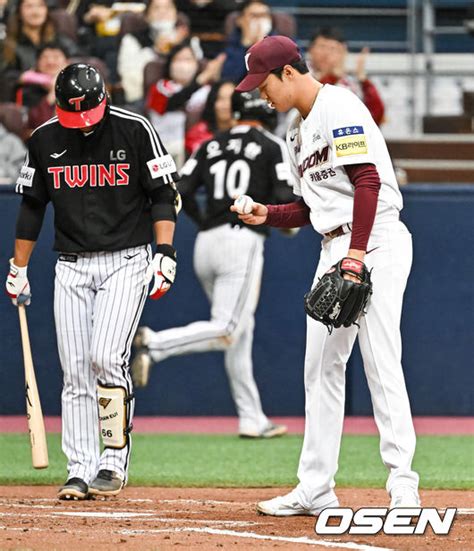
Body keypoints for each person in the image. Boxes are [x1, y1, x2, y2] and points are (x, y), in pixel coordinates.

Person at [232, 35, 419, 512]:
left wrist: (356, 254)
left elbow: (367, 180)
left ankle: (402, 482)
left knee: (379, 360)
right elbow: (308, 207)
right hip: (334, 243)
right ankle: (315, 487)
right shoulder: (297, 132)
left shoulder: (339, 106)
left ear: (289, 73)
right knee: (320, 369)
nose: (260, 93)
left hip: (373, 238)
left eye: (264, 83)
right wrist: (265, 213)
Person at [5, 63, 180, 500]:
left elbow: (162, 194)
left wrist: (165, 254)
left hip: (127, 259)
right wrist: (18, 266)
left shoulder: (134, 129)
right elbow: (31, 207)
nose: (82, 123)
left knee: (106, 356)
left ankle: (113, 460)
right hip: (71, 263)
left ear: (105, 98)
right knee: (75, 370)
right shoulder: (45, 138)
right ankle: (80, 467)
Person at [131, 89, 294, 438]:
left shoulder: (210, 144)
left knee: (240, 333)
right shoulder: (271, 144)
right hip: (242, 240)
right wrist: (287, 222)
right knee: (227, 329)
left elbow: (181, 189)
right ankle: (153, 344)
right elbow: (283, 194)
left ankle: (252, 418)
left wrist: (203, 220)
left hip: (206, 243)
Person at [146, 41, 225, 167]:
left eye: (188, 59)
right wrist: (200, 80)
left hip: (200, 148)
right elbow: (172, 103)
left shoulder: (208, 90)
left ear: (196, 64)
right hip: (166, 149)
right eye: (179, 59)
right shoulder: (160, 88)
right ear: (170, 63)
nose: (183, 65)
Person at [308, 27, 385, 126]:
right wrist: (332, 76)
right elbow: (312, 109)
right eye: (322, 47)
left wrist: (363, 81)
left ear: (343, 54)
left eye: (333, 49)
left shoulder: (350, 83)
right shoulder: (300, 72)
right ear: (311, 49)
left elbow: (375, 118)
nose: (326, 53)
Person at [117, 0, 190, 104]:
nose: (163, 12)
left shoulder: (186, 40)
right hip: (144, 100)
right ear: (147, 16)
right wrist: (155, 50)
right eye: (156, 8)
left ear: (176, 14)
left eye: (168, 7)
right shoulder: (131, 40)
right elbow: (129, 77)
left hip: (183, 99)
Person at [1, 0, 77, 73]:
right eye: (29, 6)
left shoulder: (59, 40)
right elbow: (5, 75)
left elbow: (81, 59)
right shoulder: (8, 45)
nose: (35, 11)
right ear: (19, 12)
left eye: (40, 5)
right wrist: (24, 77)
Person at [15, 42, 69, 130]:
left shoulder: (76, 87)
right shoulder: (26, 91)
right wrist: (52, 93)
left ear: (67, 62)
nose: (50, 61)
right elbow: (36, 125)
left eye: (56, 57)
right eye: (45, 57)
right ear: (37, 63)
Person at [221, 0, 273, 84]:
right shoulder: (231, 44)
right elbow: (230, 77)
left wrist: (261, 45)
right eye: (254, 16)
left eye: (264, 15)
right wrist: (246, 44)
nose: (259, 21)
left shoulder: (283, 43)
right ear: (240, 20)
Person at [185, 79, 235, 155]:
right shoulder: (197, 134)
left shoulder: (247, 132)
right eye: (221, 99)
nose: (227, 105)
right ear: (212, 102)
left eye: (232, 99)